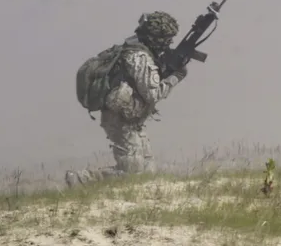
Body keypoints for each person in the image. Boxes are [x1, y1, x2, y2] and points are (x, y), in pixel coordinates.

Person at [65, 11, 188, 186]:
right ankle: (81, 179)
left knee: (147, 171)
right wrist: (176, 77)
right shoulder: (139, 57)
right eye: (166, 38)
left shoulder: (139, 50)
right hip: (119, 121)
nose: (168, 43)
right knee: (133, 173)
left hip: (132, 120)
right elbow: (153, 94)